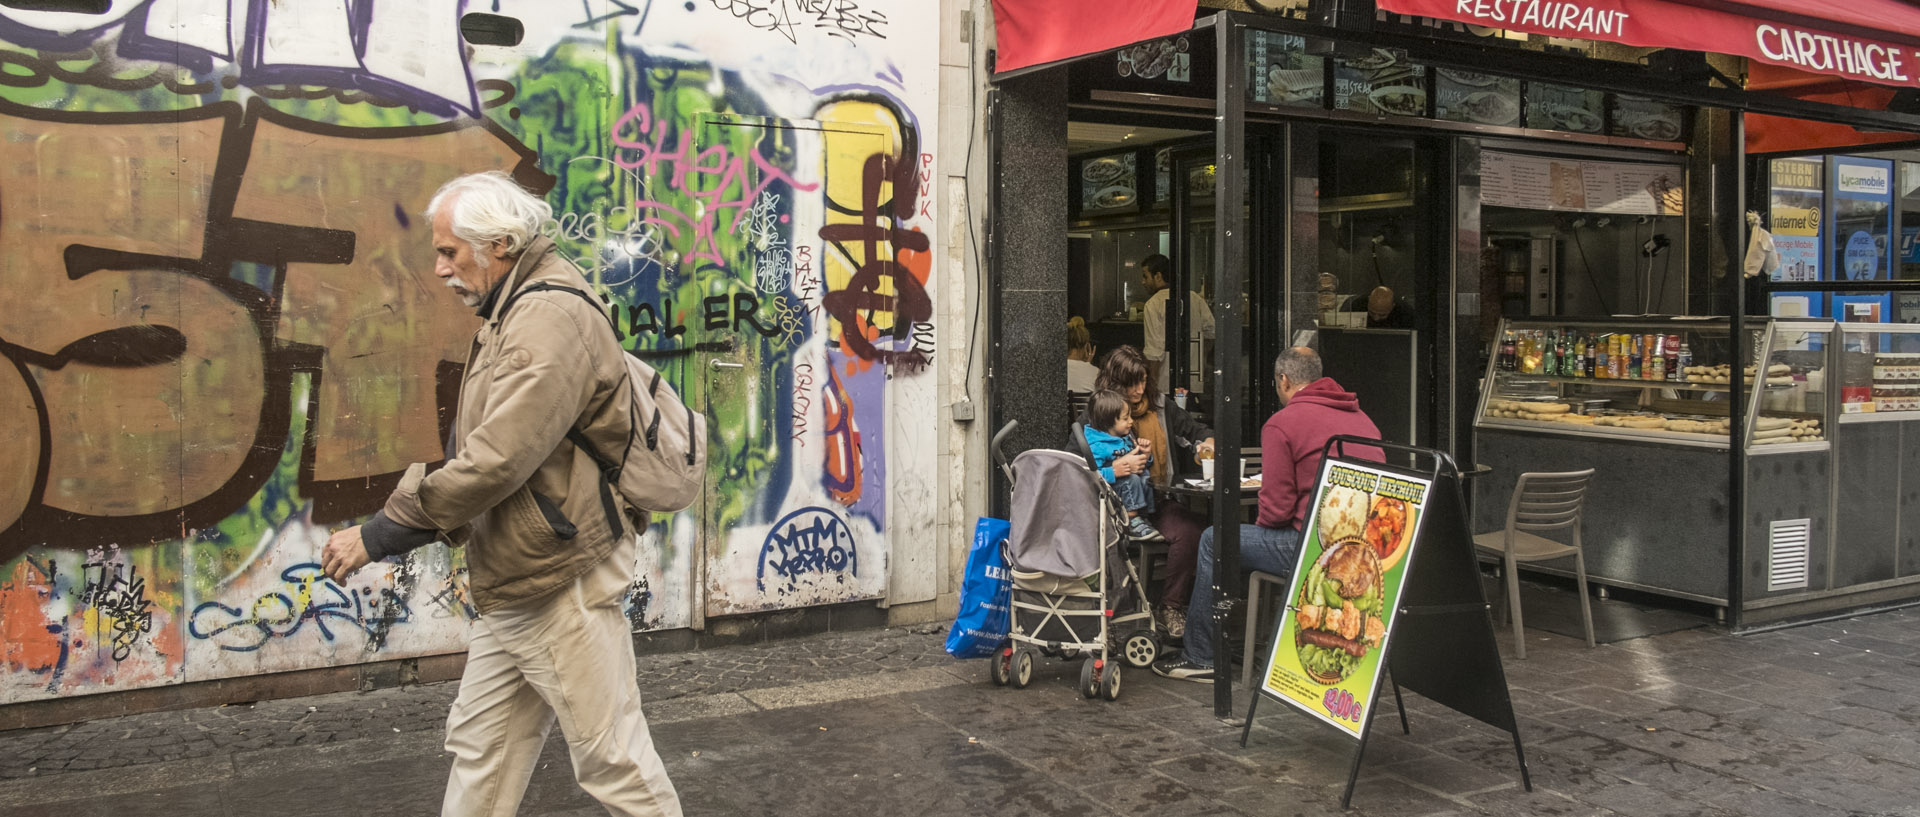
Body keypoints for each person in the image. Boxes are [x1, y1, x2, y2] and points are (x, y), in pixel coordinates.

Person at [319, 171, 683, 817]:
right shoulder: (518, 307)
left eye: (450, 252)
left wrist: (379, 533)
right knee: (484, 746)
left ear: (501, 244)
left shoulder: (546, 317)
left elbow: (496, 460)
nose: (439, 268)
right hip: (522, 570)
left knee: (613, 757)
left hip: (556, 574)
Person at [1153, 347, 1381, 682]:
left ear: (1284, 380)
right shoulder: (1364, 420)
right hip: (1365, 554)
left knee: (1214, 540)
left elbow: (1275, 511)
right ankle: (1255, 632)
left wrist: (1259, 535)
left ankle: (1201, 656)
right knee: (1237, 544)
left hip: (1311, 551)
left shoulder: (1283, 423)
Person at [1082, 345, 1215, 639]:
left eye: (1143, 380)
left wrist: (1207, 442)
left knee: (1193, 531)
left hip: (1157, 500)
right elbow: (1075, 467)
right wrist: (1116, 468)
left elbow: (1195, 430)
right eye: (1132, 383)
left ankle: (1171, 607)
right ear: (1115, 383)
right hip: (1113, 508)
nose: (1140, 389)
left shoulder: (1160, 406)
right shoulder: (1098, 412)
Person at [1083, 389, 1161, 542]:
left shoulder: (1123, 438)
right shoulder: (1098, 446)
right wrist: (1113, 471)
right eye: (1126, 418)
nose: (1131, 421)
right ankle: (1131, 522)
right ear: (1109, 422)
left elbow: (1139, 463)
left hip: (1131, 493)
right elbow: (1090, 476)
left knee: (1145, 476)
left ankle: (1145, 517)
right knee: (1132, 479)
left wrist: (1145, 455)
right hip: (1112, 494)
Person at [1140, 253, 1215, 400]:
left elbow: (1154, 352)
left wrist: (1150, 390)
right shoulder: (1194, 298)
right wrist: (1200, 359)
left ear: (1158, 276)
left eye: (1145, 276)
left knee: (1168, 421)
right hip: (1192, 382)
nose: (1143, 281)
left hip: (1165, 384)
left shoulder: (1153, 304)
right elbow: (1211, 332)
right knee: (1186, 418)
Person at [1342, 285, 1414, 329]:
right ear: (1368, 301)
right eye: (1372, 312)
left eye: (1382, 315)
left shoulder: (1405, 312)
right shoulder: (1357, 305)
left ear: (1393, 306)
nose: (1376, 318)